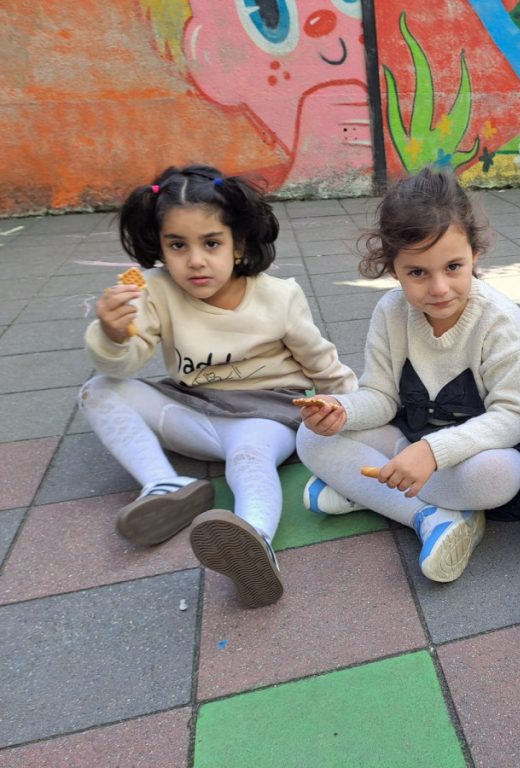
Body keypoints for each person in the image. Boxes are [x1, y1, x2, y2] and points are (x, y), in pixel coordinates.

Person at [79, 164, 356, 608]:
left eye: (211, 243)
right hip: (195, 407)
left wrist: (355, 411)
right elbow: (126, 363)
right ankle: (164, 485)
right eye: (177, 245)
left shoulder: (278, 296)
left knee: (249, 458)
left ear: (238, 244)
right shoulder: (153, 290)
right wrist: (113, 335)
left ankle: (254, 541)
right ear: (160, 247)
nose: (195, 261)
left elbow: (321, 362)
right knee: (99, 390)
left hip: (267, 414)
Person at [295, 167, 520, 583]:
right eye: (418, 273)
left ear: (475, 254)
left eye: (453, 266)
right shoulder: (390, 311)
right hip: (406, 438)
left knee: (502, 475)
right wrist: (342, 410)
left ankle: (367, 490)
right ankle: (434, 517)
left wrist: (432, 453)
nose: (439, 288)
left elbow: (512, 418)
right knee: (310, 437)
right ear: (394, 269)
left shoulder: (500, 321)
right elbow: (381, 397)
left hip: (473, 455)